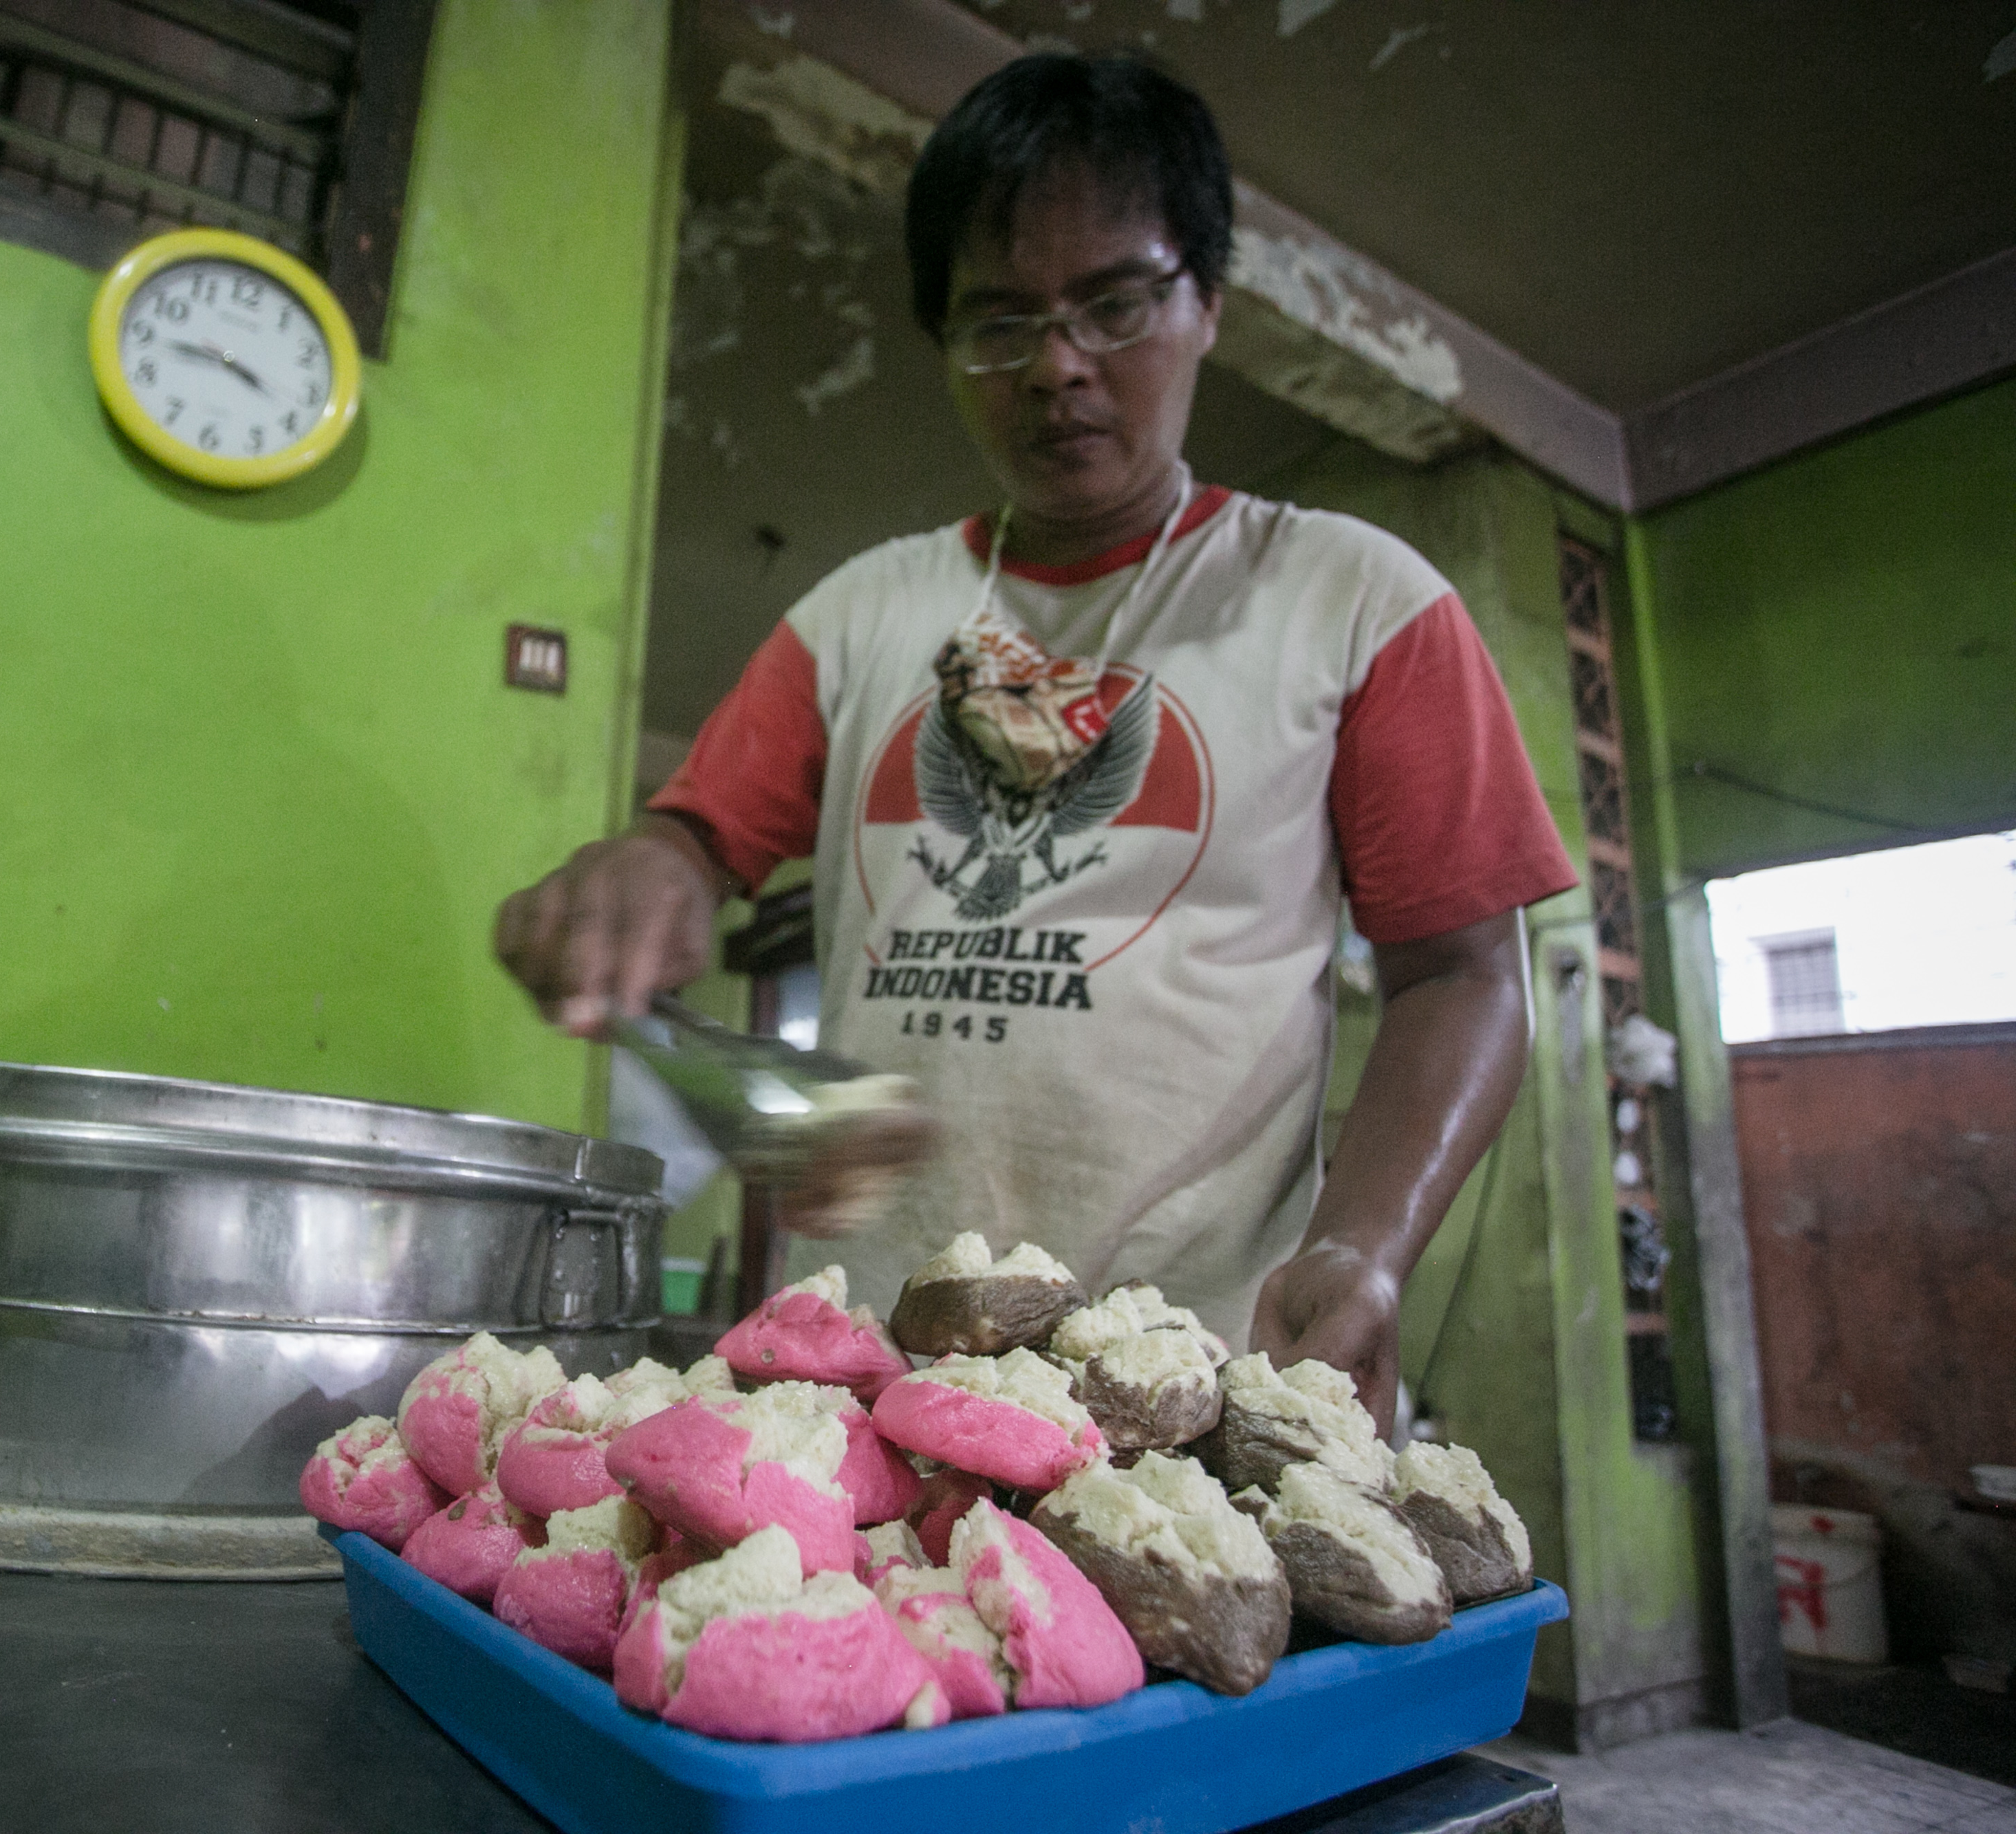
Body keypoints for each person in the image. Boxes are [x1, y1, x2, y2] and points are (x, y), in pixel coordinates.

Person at [494, 53, 1574, 1434]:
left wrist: (1362, 1244)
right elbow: (691, 844)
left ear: (1204, 306)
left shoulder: (1353, 601)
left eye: (1112, 303)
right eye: (997, 324)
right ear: (944, 348)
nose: (1056, 364)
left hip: (1203, 1388)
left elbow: (1465, 977)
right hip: (870, 1389)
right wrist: (643, 870)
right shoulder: (855, 616)